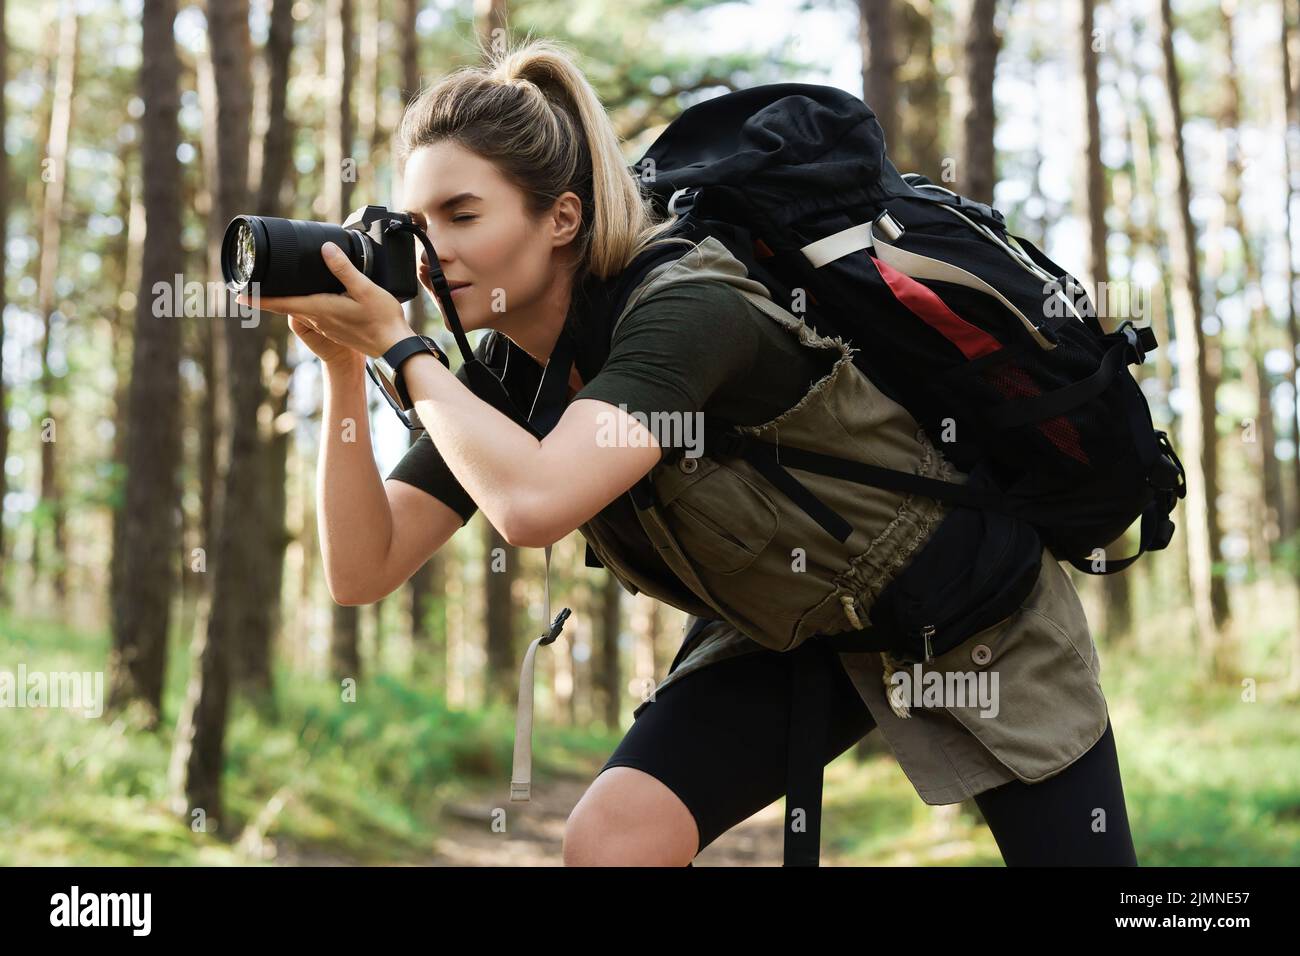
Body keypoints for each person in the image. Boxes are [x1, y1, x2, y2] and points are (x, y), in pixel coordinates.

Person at [245, 35, 1139, 867]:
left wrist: (405, 352)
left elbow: (533, 505)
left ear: (560, 218)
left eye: (461, 214)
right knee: (611, 840)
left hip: (964, 599)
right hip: (783, 627)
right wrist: (343, 366)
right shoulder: (502, 375)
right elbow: (362, 566)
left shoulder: (686, 309)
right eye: (415, 222)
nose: (428, 251)